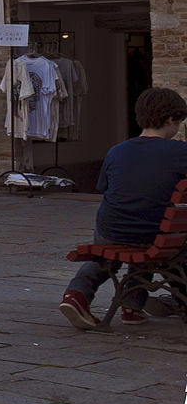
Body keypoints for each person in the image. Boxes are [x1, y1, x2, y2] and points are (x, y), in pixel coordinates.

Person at [61, 85, 187, 329]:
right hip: (159, 238)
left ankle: (76, 295)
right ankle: (132, 304)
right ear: (171, 119)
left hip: (114, 231)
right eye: (179, 121)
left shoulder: (117, 151)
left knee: (106, 247)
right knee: (162, 237)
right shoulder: (181, 152)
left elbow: (106, 189)